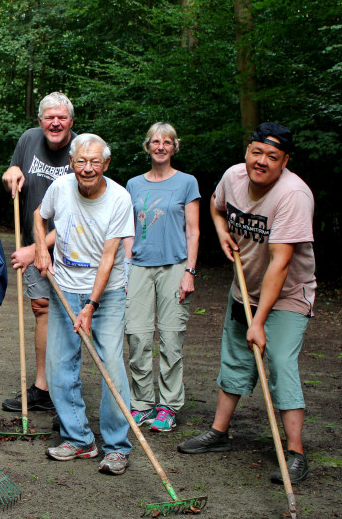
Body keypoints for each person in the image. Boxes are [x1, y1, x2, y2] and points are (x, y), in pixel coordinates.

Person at [178, 122, 316, 485]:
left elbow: (281, 263)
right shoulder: (233, 178)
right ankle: (219, 433)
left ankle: (297, 454)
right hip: (244, 288)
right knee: (236, 358)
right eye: (257, 152)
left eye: (272, 156)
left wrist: (259, 321)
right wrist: (222, 232)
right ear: (247, 151)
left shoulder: (293, 196)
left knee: (280, 363)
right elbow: (216, 204)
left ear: (285, 161)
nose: (262, 161)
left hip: (287, 296)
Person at [35, 133, 134, 475]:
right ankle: (80, 440)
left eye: (95, 162)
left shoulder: (120, 199)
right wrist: (41, 249)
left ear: (106, 164)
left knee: (111, 368)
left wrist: (91, 304)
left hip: (106, 293)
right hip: (64, 287)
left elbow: (109, 259)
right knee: (59, 366)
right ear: (72, 162)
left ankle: (118, 447)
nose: (87, 168)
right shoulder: (60, 188)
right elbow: (39, 215)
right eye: (81, 161)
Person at [0, 92, 76, 413]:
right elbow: (14, 175)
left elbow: (79, 215)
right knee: (42, 308)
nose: (55, 123)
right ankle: (43, 388)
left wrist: (36, 249)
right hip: (34, 239)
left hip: (73, 244)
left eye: (61, 117)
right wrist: (10, 176)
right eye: (49, 117)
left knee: (73, 313)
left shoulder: (81, 151)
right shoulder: (29, 139)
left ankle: (67, 389)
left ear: (71, 121)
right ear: (40, 120)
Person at [124, 123, 200, 432]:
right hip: (140, 268)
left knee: (171, 339)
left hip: (174, 267)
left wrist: (189, 272)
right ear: (147, 146)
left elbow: (193, 231)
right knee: (138, 337)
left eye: (166, 142)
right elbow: (127, 229)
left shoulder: (187, 183)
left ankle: (168, 406)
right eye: (155, 141)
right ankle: (141, 404)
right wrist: (126, 268)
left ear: (174, 147)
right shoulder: (133, 184)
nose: (160, 146)